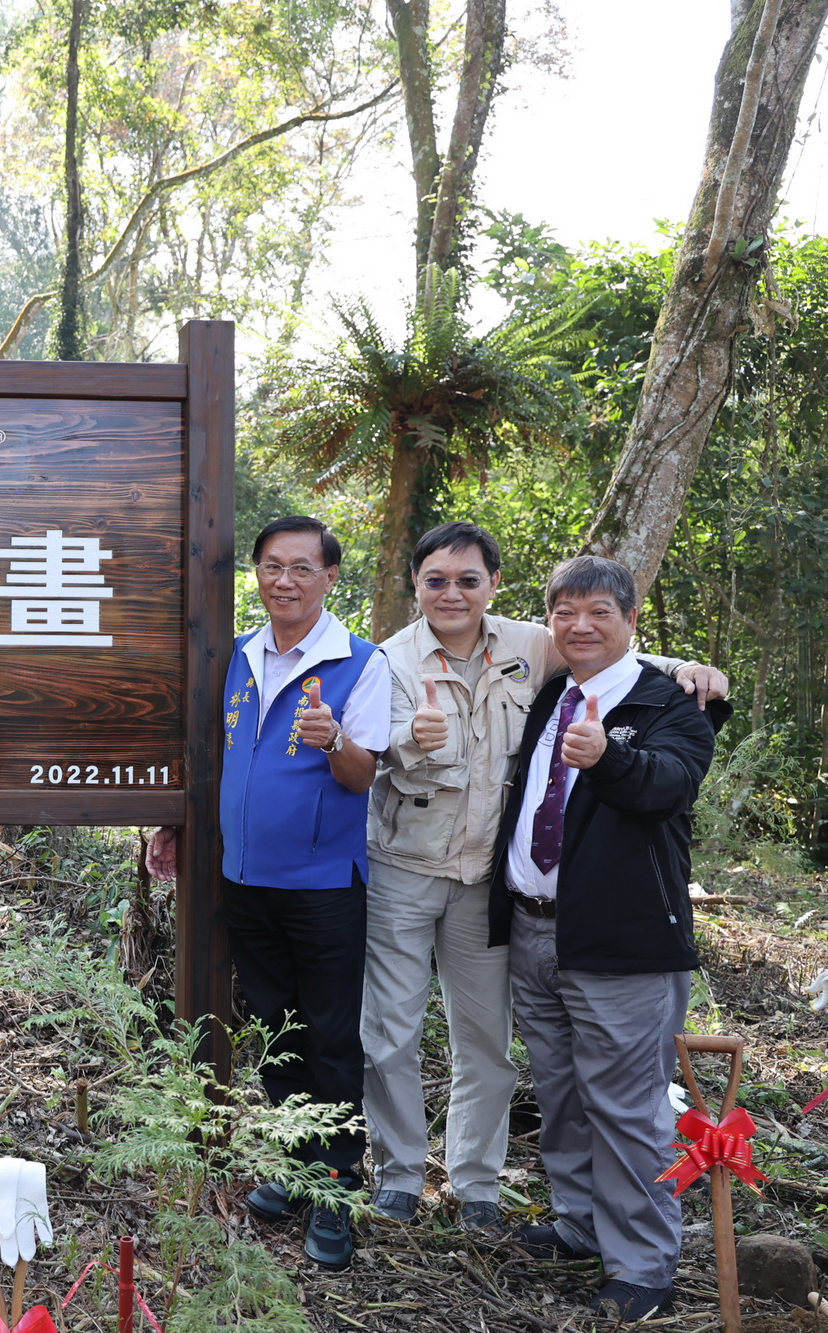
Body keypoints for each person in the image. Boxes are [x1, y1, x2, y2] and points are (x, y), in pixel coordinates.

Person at [362, 523, 727, 1232]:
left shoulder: (530, 642)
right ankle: (400, 1171)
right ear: (415, 585)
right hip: (403, 867)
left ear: (494, 585)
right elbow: (362, 756)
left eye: (469, 579)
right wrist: (410, 742)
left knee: (485, 1041)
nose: (452, 592)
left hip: (486, 881)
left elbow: (608, 649)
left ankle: (476, 1184)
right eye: (436, 579)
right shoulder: (388, 659)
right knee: (390, 1034)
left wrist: (693, 668)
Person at [488, 554, 728, 1322]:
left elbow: (667, 783)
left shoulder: (672, 704)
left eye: (600, 611)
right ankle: (579, 1221)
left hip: (624, 947)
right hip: (535, 929)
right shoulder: (554, 692)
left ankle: (644, 1263)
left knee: (627, 1107)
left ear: (632, 620)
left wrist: (609, 756)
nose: (580, 625)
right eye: (566, 611)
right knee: (559, 1091)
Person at [220, 515, 391, 1270]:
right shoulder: (236, 656)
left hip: (323, 885)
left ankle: (336, 1185)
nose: (282, 580)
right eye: (270, 566)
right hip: (245, 879)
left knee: (329, 1035)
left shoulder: (359, 662)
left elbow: (363, 776)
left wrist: (333, 742)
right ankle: (293, 1166)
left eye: (300, 568)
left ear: (328, 578)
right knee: (277, 1030)